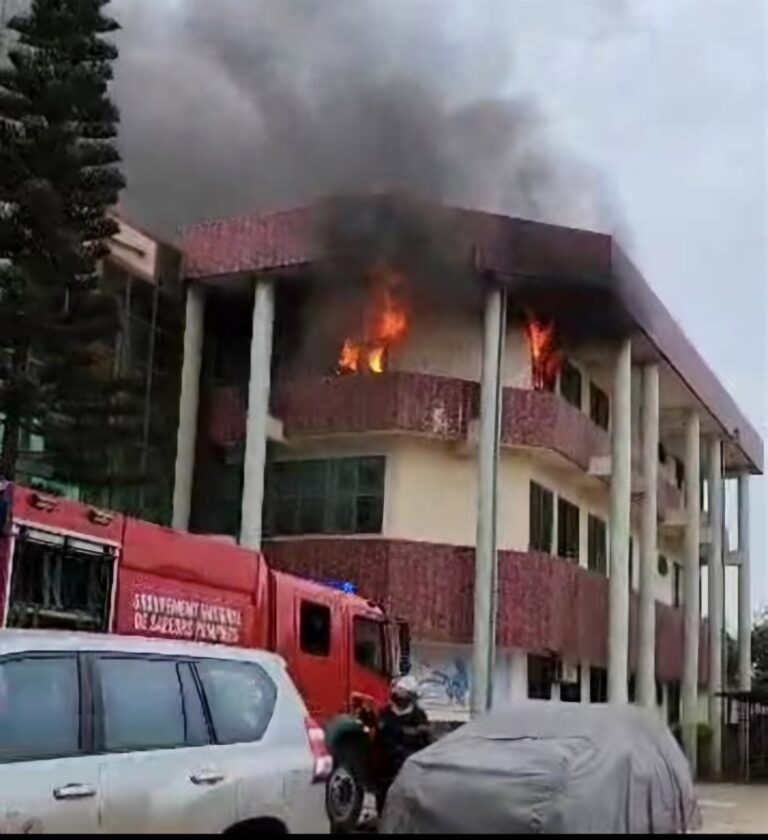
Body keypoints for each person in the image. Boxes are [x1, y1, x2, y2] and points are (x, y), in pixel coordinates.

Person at [376, 675, 431, 815]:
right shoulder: (384, 713)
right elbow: (378, 739)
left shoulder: (418, 716)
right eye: (398, 692)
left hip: (408, 768)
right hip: (385, 770)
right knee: (384, 805)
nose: (400, 696)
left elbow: (425, 742)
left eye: (405, 693)